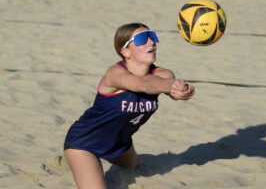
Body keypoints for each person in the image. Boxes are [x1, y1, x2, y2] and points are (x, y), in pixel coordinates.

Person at [64, 22, 195, 189]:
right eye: (142, 39)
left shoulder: (163, 74)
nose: (151, 42)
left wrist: (180, 90)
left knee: (134, 166)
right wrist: (169, 86)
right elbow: (142, 83)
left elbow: (162, 83)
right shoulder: (114, 74)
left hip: (120, 144)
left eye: (152, 36)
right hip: (84, 143)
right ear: (125, 51)